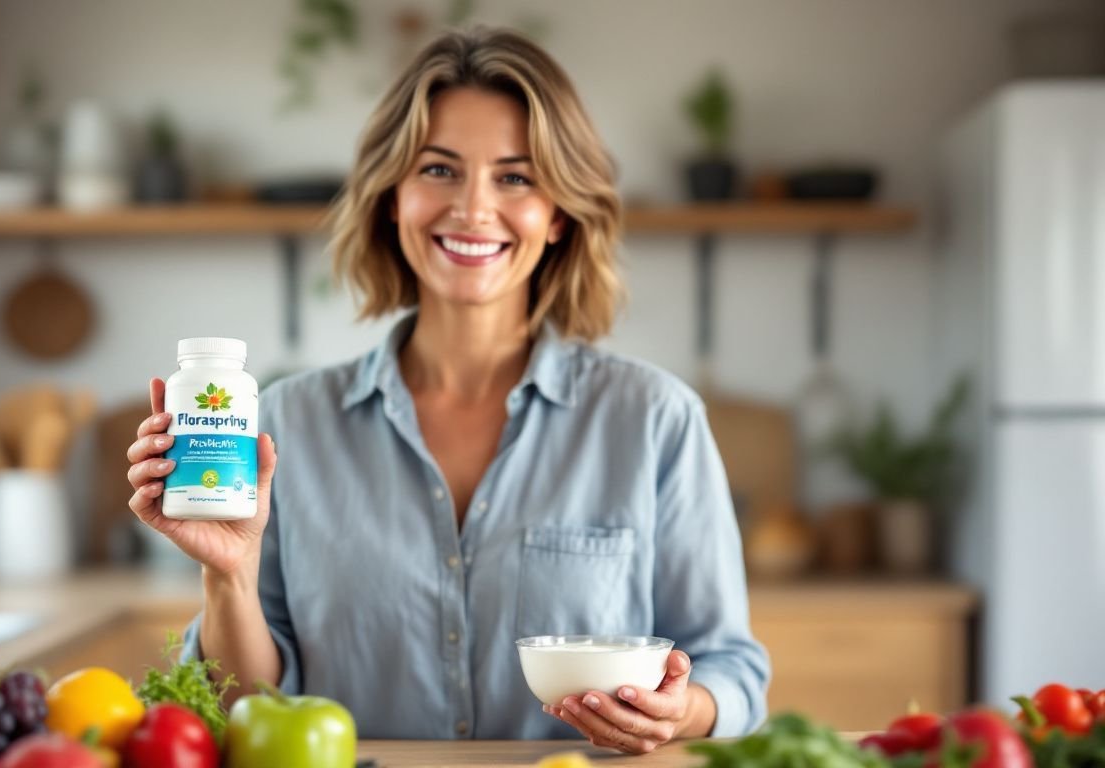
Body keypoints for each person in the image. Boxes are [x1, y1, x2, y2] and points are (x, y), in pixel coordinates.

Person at [127, 27, 769, 754]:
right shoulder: (284, 424)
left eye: (515, 177)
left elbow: (732, 670)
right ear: (390, 197)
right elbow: (242, 716)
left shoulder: (655, 419)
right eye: (438, 169)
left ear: (558, 214)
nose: (472, 207)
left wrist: (682, 711)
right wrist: (228, 579)